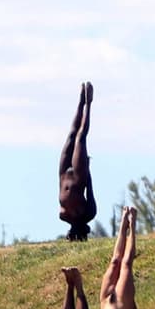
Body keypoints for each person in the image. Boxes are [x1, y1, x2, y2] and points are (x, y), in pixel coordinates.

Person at [100, 206, 139, 309]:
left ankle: (125, 222)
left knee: (115, 261)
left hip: (105, 302)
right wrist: (132, 306)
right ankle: (131, 225)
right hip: (123, 305)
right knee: (125, 264)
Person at [59, 82, 97, 241]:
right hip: (78, 175)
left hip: (63, 175)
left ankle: (81, 101)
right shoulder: (88, 214)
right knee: (80, 138)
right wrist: (87, 171)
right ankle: (87, 103)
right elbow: (90, 190)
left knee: (71, 136)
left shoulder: (65, 216)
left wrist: (61, 176)